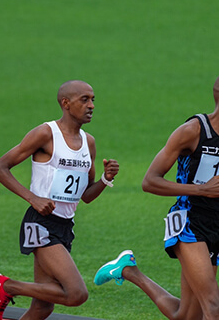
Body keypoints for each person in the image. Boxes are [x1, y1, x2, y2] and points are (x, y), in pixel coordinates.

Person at [0, 80, 119, 320]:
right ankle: (7, 287)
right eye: (85, 100)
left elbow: (85, 196)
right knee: (76, 294)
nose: (91, 105)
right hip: (41, 222)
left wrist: (105, 179)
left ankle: (9, 288)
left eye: (93, 100)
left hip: (65, 226)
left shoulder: (89, 142)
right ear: (66, 103)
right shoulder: (46, 133)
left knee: (42, 308)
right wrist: (33, 198)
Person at [93, 77, 219, 320]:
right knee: (213, 305)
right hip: (190, 221)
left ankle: (129, 271)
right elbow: (150, 181)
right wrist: (201, 190)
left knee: (187, 316)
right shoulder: (193, 131)